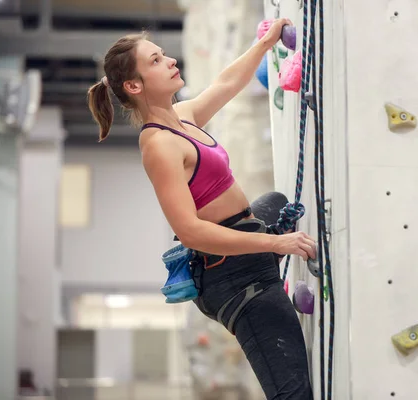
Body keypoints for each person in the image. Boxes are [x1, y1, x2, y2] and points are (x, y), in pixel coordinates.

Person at [87, 18, 315, 399]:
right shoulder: (159, 145)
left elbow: (226, 84)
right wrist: (277, 245)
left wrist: (264, 45)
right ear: (134, 86)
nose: (172, 60)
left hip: (243, 240)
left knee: (275, 203)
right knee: (293, 394)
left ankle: (269, 243)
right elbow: (190, 231)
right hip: (234, 277)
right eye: (157, 61)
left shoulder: (182, 118)